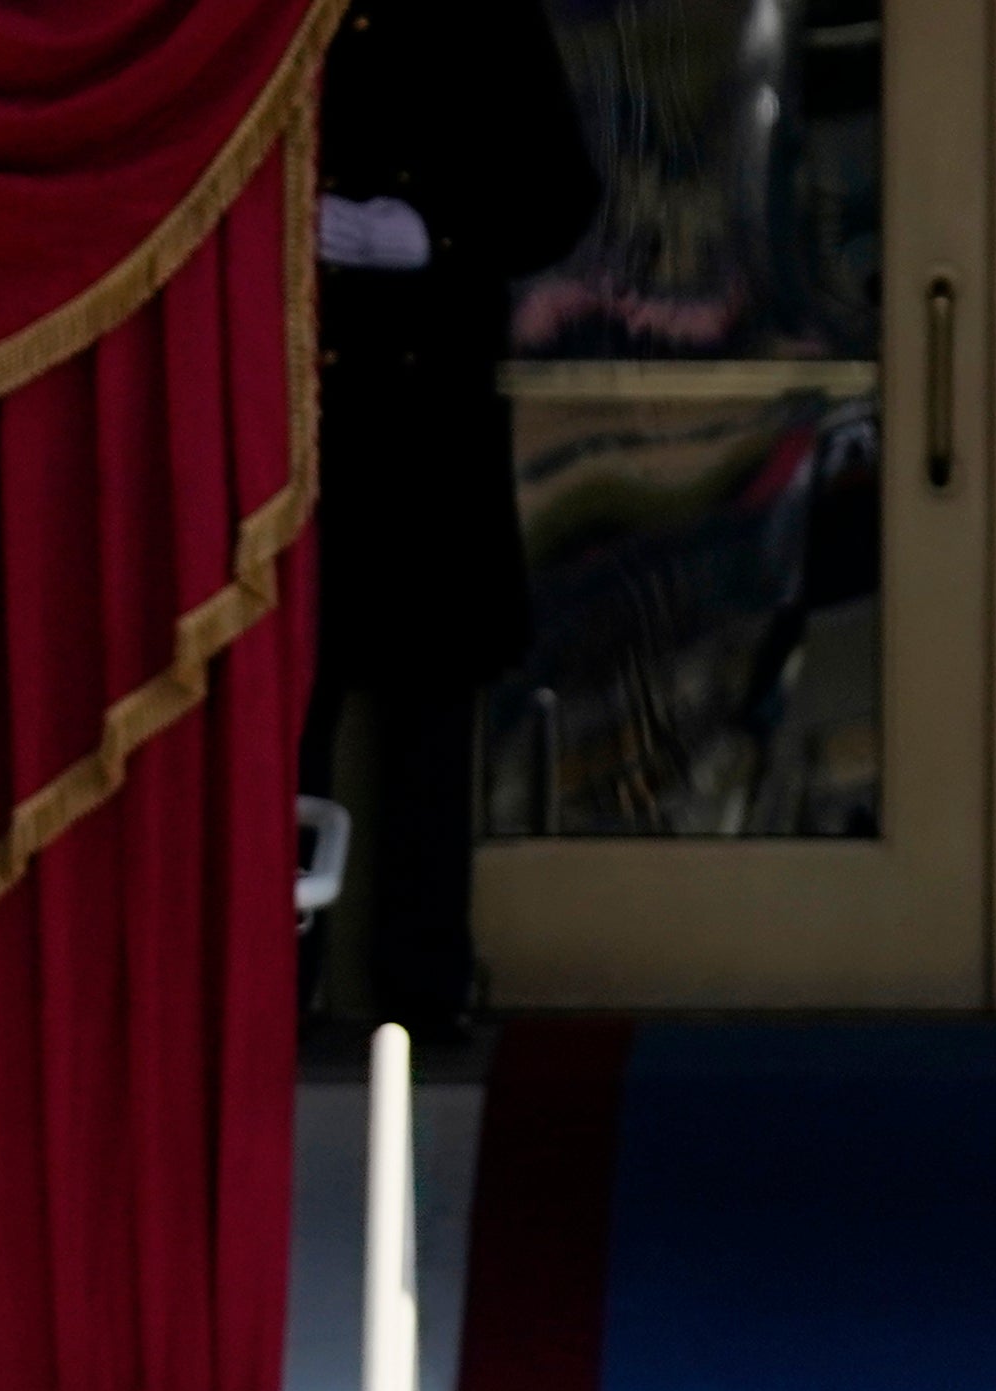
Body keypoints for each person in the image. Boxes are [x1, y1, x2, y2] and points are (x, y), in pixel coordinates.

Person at [290, 0, 596, 1050]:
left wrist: (437, 230)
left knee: (429, 718)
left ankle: (423, 987)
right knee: (287, 709)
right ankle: (273, 987)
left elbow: (557, 194)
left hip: (428, 416)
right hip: (296, 414)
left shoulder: (483, 13)